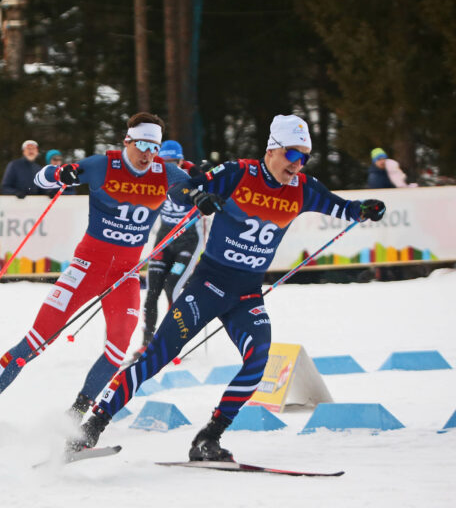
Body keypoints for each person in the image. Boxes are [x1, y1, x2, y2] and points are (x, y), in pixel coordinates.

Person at [72, 114, 387, 461]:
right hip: (207, 286)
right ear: (272, 150)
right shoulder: (239, 173)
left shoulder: (302, 189)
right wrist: (199, 198)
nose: (298, 165)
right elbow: (185, 188)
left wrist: (364, 209)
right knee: (155, 358)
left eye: (305, 157)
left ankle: (209, 437)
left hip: (247, 293)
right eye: (293, 155)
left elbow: (342, 208)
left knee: (258, 359)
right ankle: (91, 428)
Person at [0, 112, 200, 441]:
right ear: (127, 141)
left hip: (124, 274)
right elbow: (40, 179)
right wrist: (61, 173)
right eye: (141, 144)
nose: (147, 153)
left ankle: (75, 416)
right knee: (36, 340)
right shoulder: (102, 165)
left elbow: (202, 189)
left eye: (153, 147)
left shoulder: (166, 172)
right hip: (87, 268)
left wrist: (206, 195)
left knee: (118, 348)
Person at [138, 139, 204, 353]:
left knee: (172, 287)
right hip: (165, 238)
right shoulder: (154, 176)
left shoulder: (191, 177)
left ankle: (173, 341)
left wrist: (193, 168)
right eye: (164, 161)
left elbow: (205, 179)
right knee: (152, 290)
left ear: (181, 161)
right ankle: (147, 343)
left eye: (173, 162)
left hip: (188, 240)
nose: (168, 166)